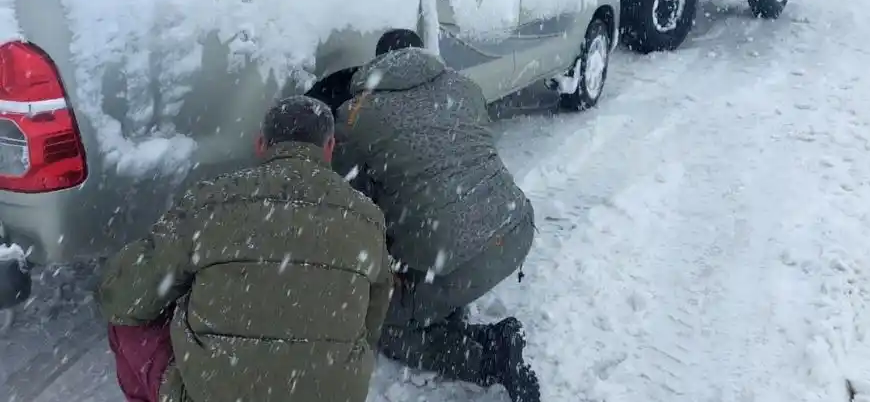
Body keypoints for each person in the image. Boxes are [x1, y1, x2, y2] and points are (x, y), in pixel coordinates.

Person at [97, 95, 392, 402]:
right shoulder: (367, 218)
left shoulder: (211, 201)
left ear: (261, 143)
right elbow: (373, 316)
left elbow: (123, 297)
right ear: (329, 148)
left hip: (212, 394)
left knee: (128, 325)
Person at [333, 43, 540, 402]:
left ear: (377, 64)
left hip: (453, 257)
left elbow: (352, 208)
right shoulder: (464, 87)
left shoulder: (356, 117)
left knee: (382, 323)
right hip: (513, 232)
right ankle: (442, 297)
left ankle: (490, 355)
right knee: (435, 241)